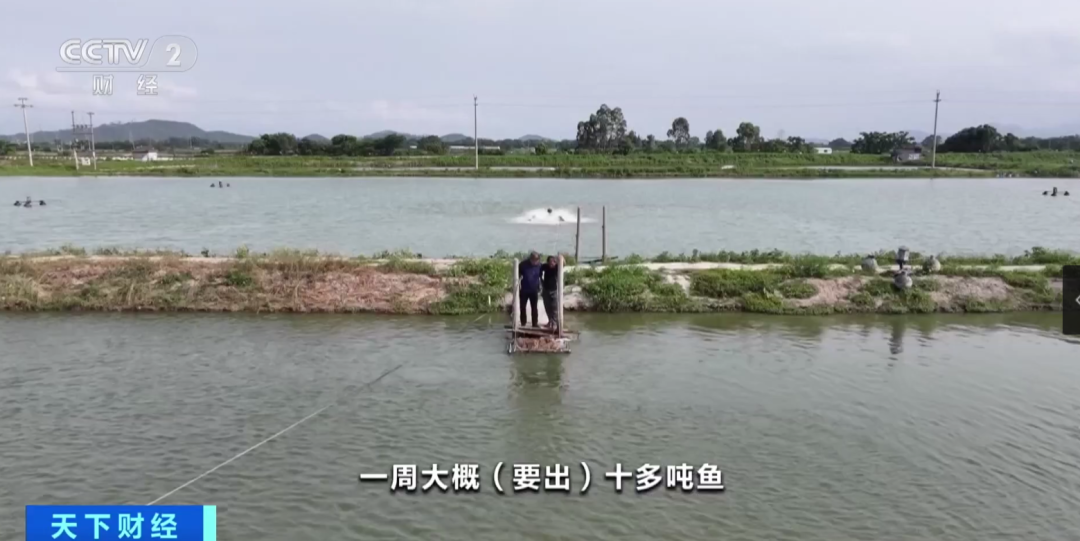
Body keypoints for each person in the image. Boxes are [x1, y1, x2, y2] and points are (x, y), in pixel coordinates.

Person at [518, 251, 543, 327]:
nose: (535, 262)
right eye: (533, 260)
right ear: (530, 259)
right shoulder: (523, 265)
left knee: (534, 307)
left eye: (536, 260)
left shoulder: (540, 265)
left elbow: (541, 276)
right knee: (522, 307)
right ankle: (523, 322)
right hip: (524, 289)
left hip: (534, 290)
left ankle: (534, 323)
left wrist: (541, 286)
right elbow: (517, 274)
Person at [541, 255, 560, 330]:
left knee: (554, 308)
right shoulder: (545, 266)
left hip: (554, 290)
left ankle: (554, 324)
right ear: (548, 262)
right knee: (547, 307)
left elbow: (564, 263)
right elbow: (538, 269)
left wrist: (561, 257)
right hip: (545, 290)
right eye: (551, 261)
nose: (552, 263)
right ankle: (550, 322)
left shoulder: (557, 267)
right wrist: (541, 280)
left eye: (554, 261)